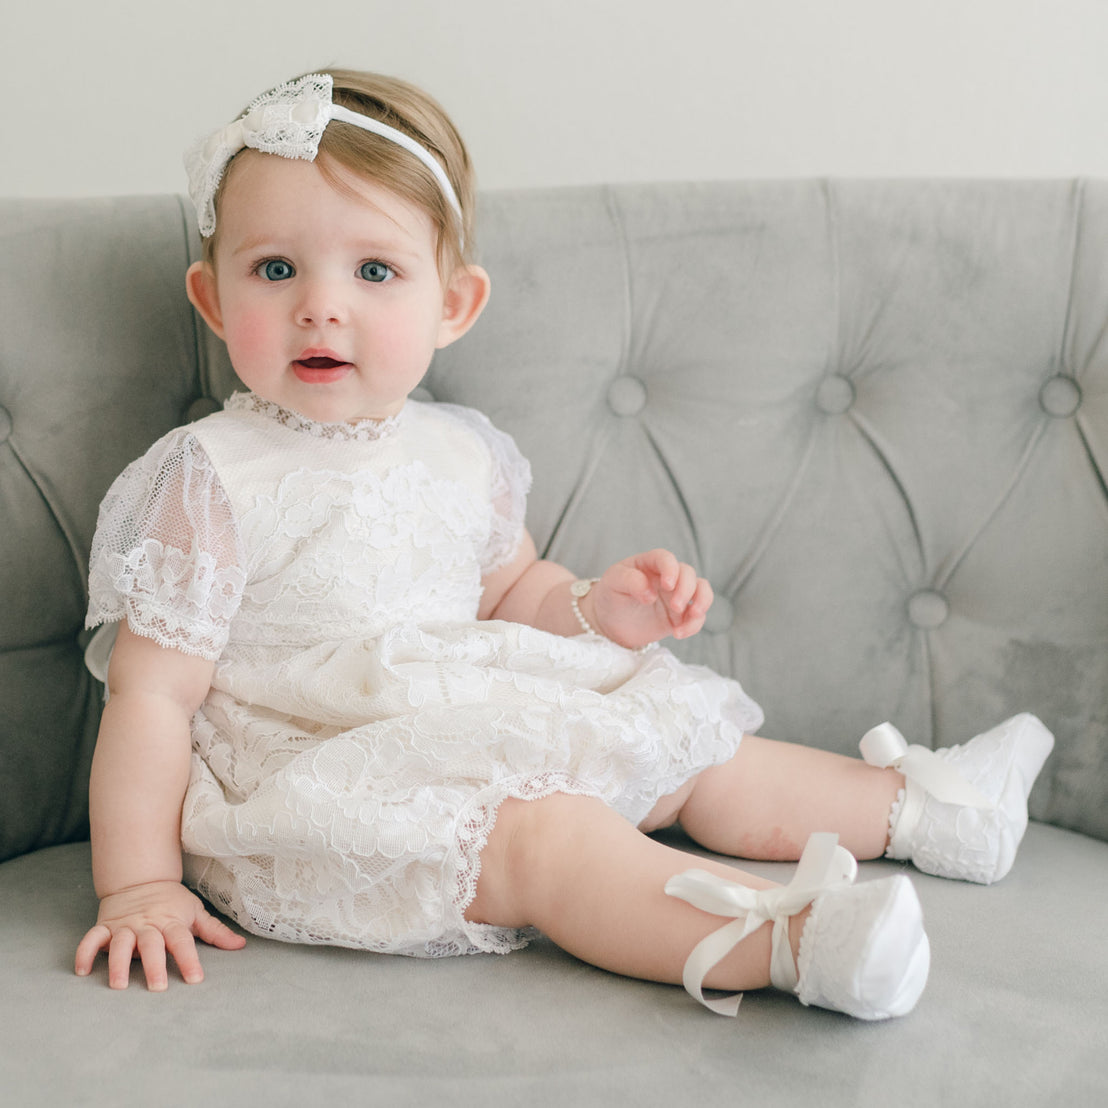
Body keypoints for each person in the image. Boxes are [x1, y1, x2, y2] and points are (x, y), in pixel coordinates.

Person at [73, 69, 1054, 1020]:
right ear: (211, 298)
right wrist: (140, 885)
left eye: (375, 270)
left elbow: (510, 586)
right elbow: (153, 694)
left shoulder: (462, 451)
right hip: (325, 779)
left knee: (693, 746)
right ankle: (789, 941)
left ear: (451, 304)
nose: (322, 305)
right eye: (275, 268)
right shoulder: (210, 473)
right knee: (548, 836)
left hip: (472, 713)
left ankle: (926, 809)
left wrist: (597, 608)